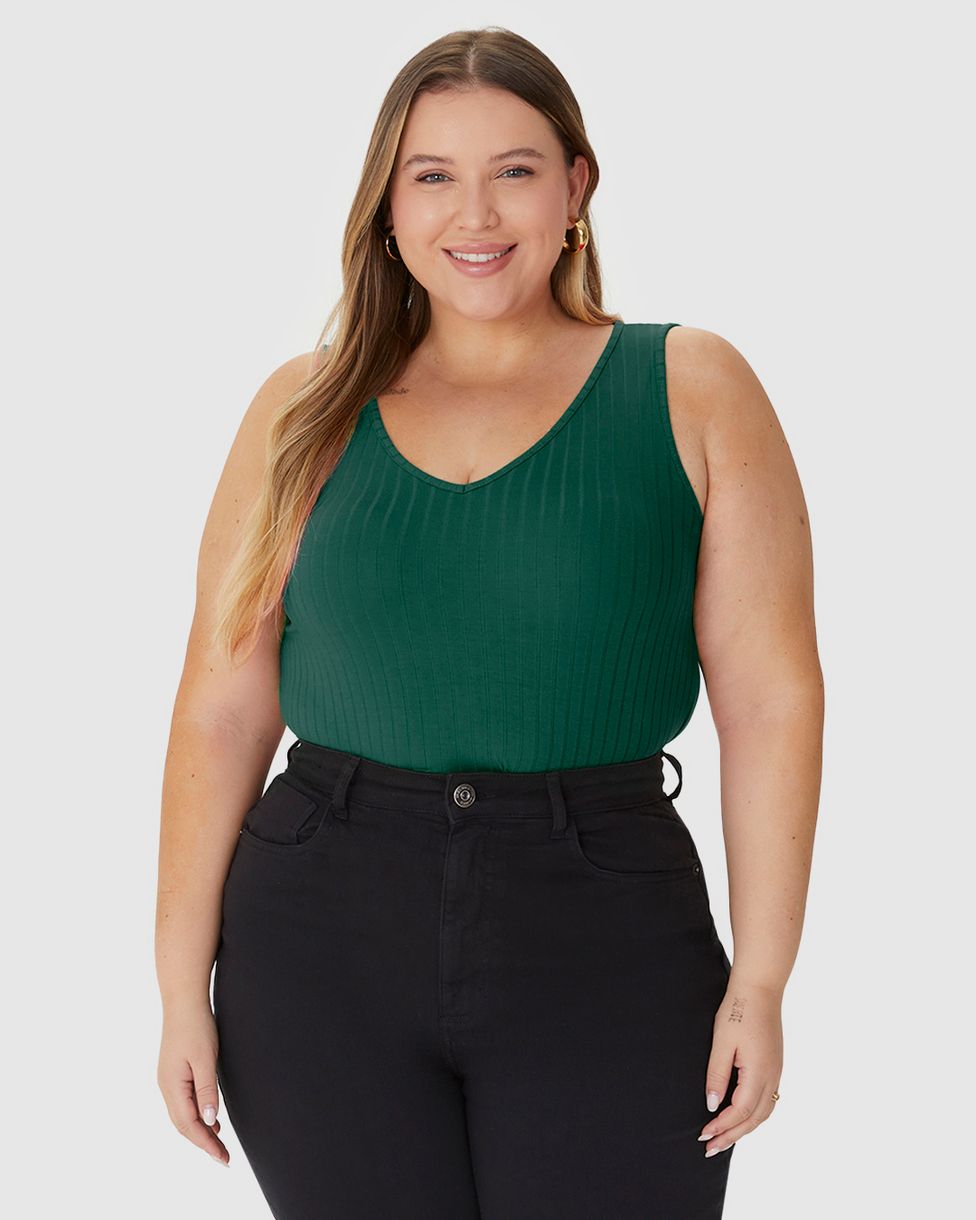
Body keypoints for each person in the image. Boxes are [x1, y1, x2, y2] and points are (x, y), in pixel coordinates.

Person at [155, 25, 823, 1220]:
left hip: (606, 927)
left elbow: (771, 699)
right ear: (388, 204)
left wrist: (762, 979)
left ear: (576, 188)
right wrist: (176, 987)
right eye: (433, 175)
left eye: (515, 170)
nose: (475, 213)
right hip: (320, 934)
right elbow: (221, 709)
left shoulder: (690, 386)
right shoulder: (301, 411)